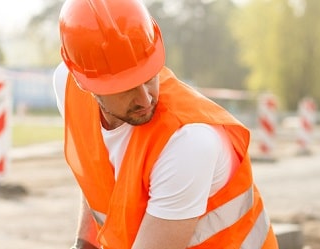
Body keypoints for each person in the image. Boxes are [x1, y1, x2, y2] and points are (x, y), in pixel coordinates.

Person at [52, 0, 277, 248]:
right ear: (87, 84)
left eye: (149, 77)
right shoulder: (68, 87)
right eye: (125, 88)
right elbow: (97, 172)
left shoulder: (187, 142)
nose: (145, 98)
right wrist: (85, 244)